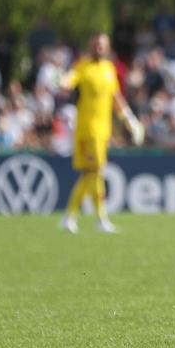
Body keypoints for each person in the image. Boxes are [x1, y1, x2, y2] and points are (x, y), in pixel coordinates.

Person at [58, 34, 144, 233]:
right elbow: (69, 80)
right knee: (96, 171)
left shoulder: (109, 69)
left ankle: (78, 217)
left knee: (92, 173)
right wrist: (62, 80)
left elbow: (115, 97)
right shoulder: (82, 66)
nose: (99, 48)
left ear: (108, 48)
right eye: (96, 45)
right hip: (87, 129)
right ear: (90, 46)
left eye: (102, 46)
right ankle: (91, 218)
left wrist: (130, 120)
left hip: (103, 130)